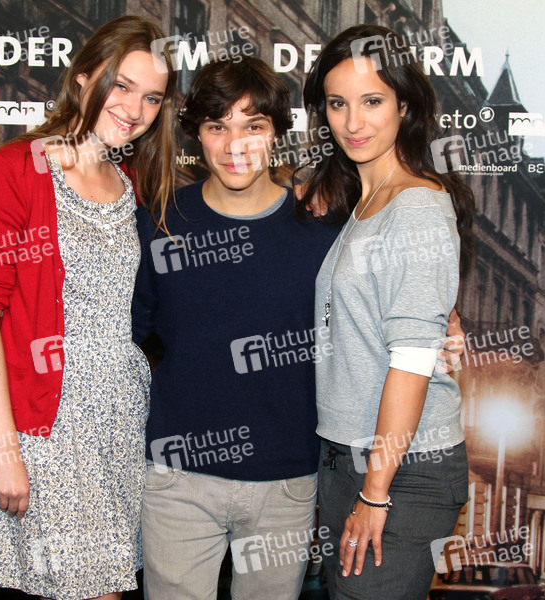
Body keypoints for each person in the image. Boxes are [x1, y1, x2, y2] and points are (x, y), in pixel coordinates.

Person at [132, 55, 463, 599]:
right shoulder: (158, 223)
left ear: (276, 134)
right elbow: (128, 334)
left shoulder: (322, 234)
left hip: (289, 482)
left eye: (253, 126)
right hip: (177, 481)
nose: (235, 145)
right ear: (197, 135)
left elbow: (391, 311)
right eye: (217, 127)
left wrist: (442, 318)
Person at [0, 16, 177, 600]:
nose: (134, 108)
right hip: (45, 426)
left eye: (152, 96)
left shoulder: (136, 184)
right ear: (83, 77)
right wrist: (4, 448)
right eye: (121, 85)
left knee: (108, 587)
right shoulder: (13, 169)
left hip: (122, 424)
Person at [298, 24, 476, 600]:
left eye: (372, 101)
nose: (353, 122)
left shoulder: (416, 207)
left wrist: (375, 493)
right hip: (348, 458)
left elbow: (412, 365)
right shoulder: (368, 200)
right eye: (337, 104)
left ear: (405, 105)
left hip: (400, 471)